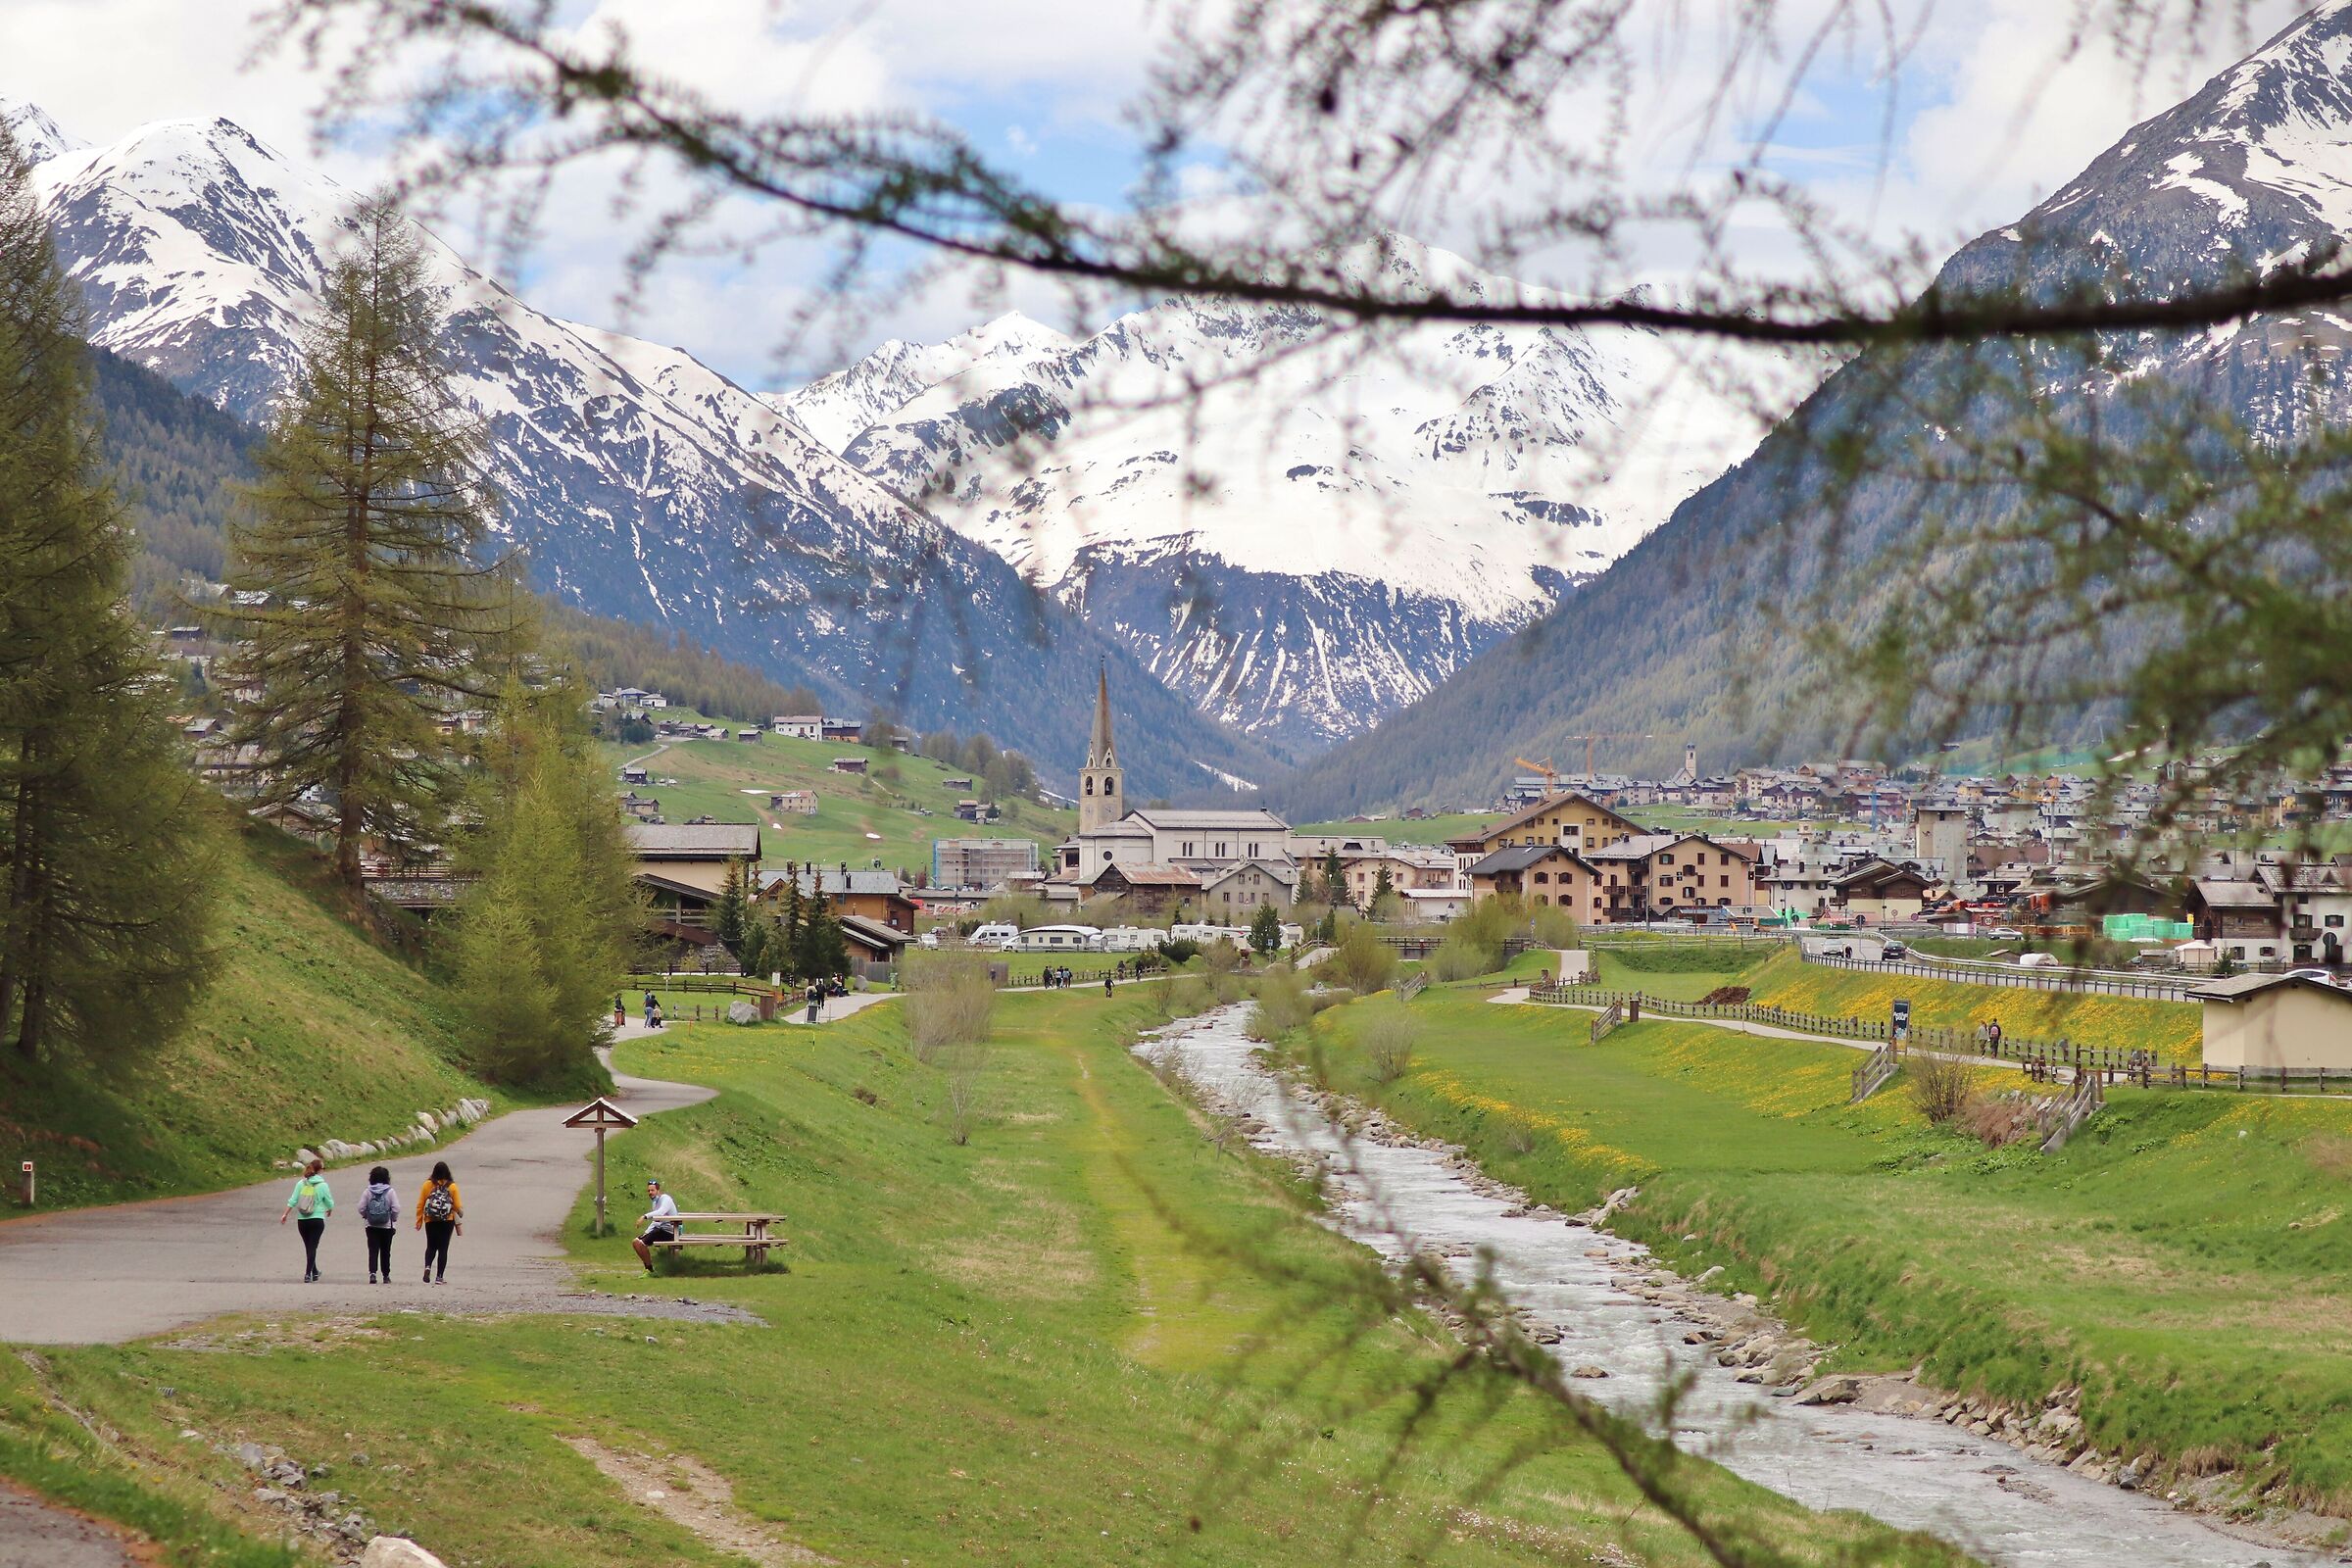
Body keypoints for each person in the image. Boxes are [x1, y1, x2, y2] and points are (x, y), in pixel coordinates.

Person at [279, 1158, 333, 1283]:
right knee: (312, 1247)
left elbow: (293, 1200)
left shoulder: (301, 1184)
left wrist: (285, 1214)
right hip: (317, 1219)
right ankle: (308, 1274)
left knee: (309, 1246)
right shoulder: (323, 1185)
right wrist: (329, 1209)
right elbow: (329, 1201)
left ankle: (315, 1272)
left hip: (302, 1220)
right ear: (319, 1171)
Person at [415, 1160, 463, 1285]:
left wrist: (419, 1220)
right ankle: (439, 1277)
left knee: (431, 1246)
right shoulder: (452, 1186)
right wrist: (460, 1212)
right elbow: (457, 1205)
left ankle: (428, 1266)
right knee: (443, 1248)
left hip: (431, 1220)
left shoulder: (427, 1185)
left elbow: (420, 1204)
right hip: (447, 1220)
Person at [358, 1165, 400, 1284]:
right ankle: (386, 1275)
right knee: (386, 1251)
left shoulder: (368, 1191)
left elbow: (360, 1207)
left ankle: (372, 1273)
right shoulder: (390, 1191)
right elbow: (396, 1208)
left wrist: (366, 1215)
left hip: (371, 1226)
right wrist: (393, 1219)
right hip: (387, 1226)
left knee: (373, 1250)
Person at [631, 1177, 680, 1274]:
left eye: (652, 1190)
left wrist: (644, 1216)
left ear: (658, 1190)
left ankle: (649, 1271)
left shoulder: (666, 1199)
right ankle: (649, 1269)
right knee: (636, 1242)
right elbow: (656, 1221)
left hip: (670, 1232)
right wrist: (646, 1232)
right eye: (648, 1190)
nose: (650, 1192)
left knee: (641, 1243)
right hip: (660, 1230)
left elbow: (661, 1213)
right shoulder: (655, 1203)